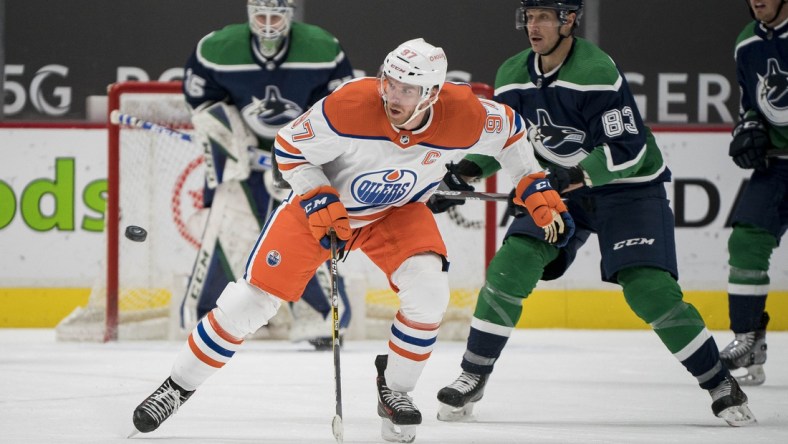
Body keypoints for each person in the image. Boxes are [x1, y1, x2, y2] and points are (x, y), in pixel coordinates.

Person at [131, 37, 573, 443]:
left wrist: (531, 180)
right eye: (390, 83)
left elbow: (513, 132)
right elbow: (288, 148)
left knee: (429, 294)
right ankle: (177, 387)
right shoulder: (350, 105)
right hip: (323, 211)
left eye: (407, 89)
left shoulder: (465, 113)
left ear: (433, 94)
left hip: (395, 213)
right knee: (251, 303)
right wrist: (317, 194)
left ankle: (394, 391)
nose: (393, 96)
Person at [430, 0, 756, 427]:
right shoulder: (511, 73)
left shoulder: (595, 71)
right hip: (561, 189)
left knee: (649, 289)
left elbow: (628, 148)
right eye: (530, 16)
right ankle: (473, 375)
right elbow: (506, 141)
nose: (535, 25)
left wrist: (571, 176)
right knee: (511, 266)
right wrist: (465, 174)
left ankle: (718, 382)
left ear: (569, 21)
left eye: (545, 16)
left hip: (629, 189)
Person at [179, 0, 355, 349]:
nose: (269, 24)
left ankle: (319, 318)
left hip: (300, 159)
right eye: (262, 15)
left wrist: (305, 148)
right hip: (243, 160)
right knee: (229, 228)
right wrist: (229, 138)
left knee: (305, 233)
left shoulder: (322, 48)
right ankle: (211, 316)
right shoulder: (217, 49)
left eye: (277, 15)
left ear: (291, 15)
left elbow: (340, 107)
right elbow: (200, 100)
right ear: (248, 13)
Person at [719, 0, 787, 386]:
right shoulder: (748, 42)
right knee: (746, 241)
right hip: (777, 166)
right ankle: (748, 338)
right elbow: (750, 101)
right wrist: (748, 128)